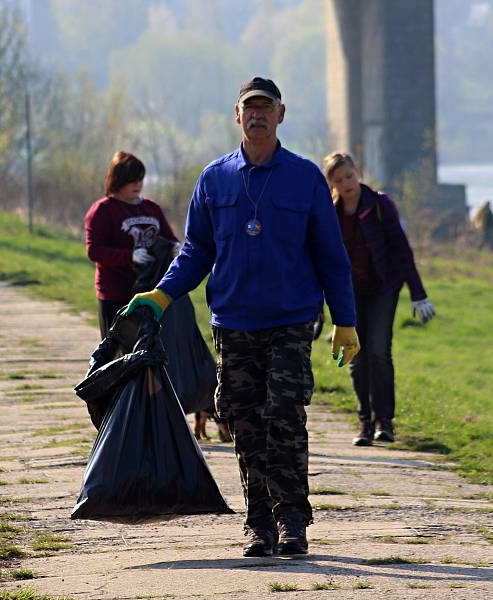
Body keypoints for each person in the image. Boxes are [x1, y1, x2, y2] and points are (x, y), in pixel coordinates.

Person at [125, 77, 359, 557]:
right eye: (248, 108)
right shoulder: (215, 179)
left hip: (291, 320)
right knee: (246, 421)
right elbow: (195, 251)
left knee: (286, 416)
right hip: (234, 322)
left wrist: (346, 319)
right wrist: (162, 295)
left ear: (280, 114)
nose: (257, 115)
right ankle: (259, 525)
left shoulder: (305, 177)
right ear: (237, 116)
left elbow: (331, 255)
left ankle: (293, 521)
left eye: (265, 108)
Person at [322, 152, 436, 446]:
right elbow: (323, 258)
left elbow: (402, 250)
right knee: (355, 355)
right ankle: (364, 422)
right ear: (331, 184)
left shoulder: (380, 205)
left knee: (379, 351)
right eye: (338, 180)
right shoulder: (330, 214)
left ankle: (385, 421)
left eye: (349, 176)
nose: (346, 183)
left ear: (357, 172)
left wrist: (418, 294)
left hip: (384, 288)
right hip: (350, 293)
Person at [84, 151, 178, 338]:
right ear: (117, 181)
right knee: (116, 354)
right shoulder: (102, 210)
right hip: (116, 294)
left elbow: (169, 238)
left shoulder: (152, 208)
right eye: (131, 180)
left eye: (140, 179)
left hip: (149, 293)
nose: (138, 184)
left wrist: (176, 248)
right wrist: (129, 256)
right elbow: (95, 251)